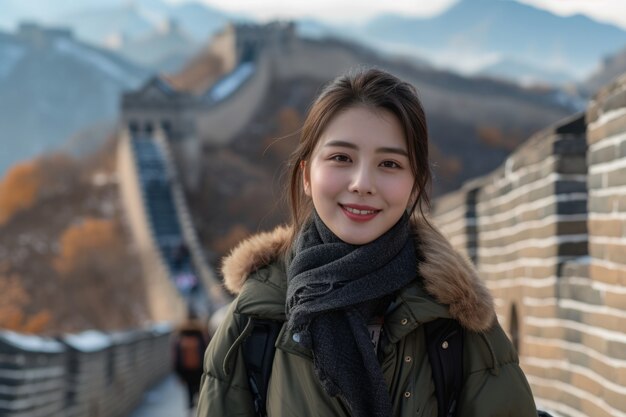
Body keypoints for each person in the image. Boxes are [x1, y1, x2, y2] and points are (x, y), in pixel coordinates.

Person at [196, 68, 538, 416]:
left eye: (389, 164)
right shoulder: (256, 319)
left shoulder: (456, 320)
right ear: (306, 177)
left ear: (415, 186)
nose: (362, 183)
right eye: (341, 158)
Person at [173, 309, 209, 410]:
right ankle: (201, 409)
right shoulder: (201, 334)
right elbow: (206, 351)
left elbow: (177, 358)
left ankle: (190, 407)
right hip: (199, 370)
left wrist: (179, 374)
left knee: (189, 392)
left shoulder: (180, 335)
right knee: (201, 392)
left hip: (186, 371)